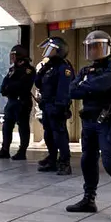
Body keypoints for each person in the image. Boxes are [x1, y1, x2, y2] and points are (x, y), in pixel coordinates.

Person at [66, 31, 111, 220]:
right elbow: (72, 90)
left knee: (109, 161)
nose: (94, 51)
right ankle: (89, 199)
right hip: (89, 121)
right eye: (91, 47)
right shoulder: (87, 71)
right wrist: (86, 87)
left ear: (106, 48)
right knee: (87, 160)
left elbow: (97, 87)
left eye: (97, 47)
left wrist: (85, 87)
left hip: (107, 121)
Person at [35, 36, 74, 175]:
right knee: (48, 136)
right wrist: (43, 68)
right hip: (46, 107)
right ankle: (52, 160)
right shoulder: (49, 67)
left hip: (57, 107)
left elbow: (64, 90)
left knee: (60, 136)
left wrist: (59, 107)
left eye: (51, 50)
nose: (48, 52)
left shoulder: (64, 68)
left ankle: (65, 163)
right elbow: (38, 83)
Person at [0, 45, 36, 160]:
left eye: (14, 55)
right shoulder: (12, 69)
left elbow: (22, 86)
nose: (12, 58)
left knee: (23, 127)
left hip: (22, 101)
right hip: (12, 101)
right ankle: (5, 150)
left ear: (20, 56)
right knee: (6, 126)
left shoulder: (29, 70)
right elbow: (5, 84)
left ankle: (22, 151)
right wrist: (6, 88)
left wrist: (9, 87)